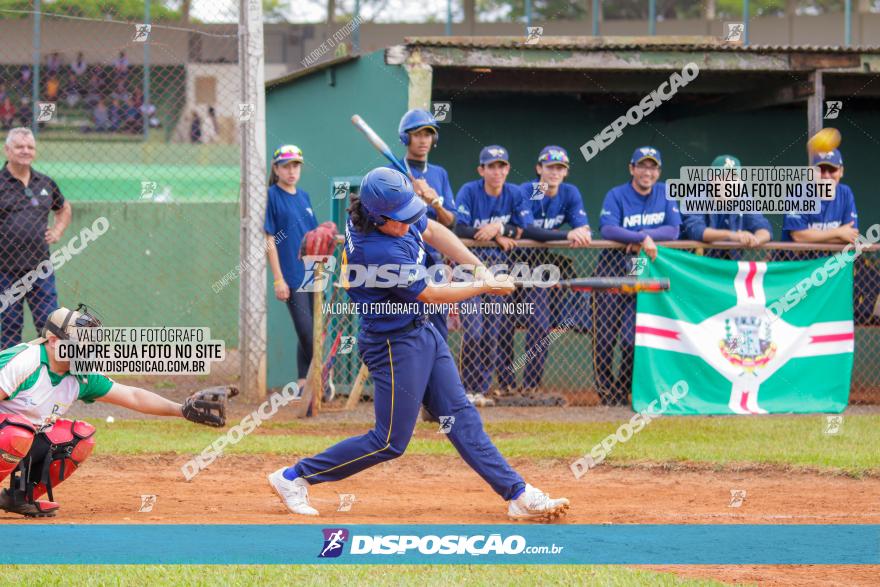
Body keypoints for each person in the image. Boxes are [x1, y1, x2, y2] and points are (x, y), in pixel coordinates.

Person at [267, 167, 570, 521]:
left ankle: (518, 493)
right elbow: (431, 293)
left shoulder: (383, 213)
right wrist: (486, 286)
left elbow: (434, 228)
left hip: (421, 332)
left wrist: (477, 267)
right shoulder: (377, 248)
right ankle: (294, 477)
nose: (409, 222)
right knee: (389, 441)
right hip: (393, 345)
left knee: (460, 417)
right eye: (400, 219)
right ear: (378, 217)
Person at [0, 306, 232, 517]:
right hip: (9, 436)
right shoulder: (26, 361)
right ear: (52, 340)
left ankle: (20, 498)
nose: (87, 349)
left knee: (80, 437)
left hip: (20, 440)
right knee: (18, 434)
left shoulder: (80, 375)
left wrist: (181, 409)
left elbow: (133, 396)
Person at [494, 145, 591, 398]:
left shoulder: (569, 193)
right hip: (512, 263)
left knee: (540, 324)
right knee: (505, 323)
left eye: (560, 168)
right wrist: (567, 234)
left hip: (540, 267)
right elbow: (527, 230)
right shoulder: (530, 190)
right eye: (550, 167)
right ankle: (506, 384)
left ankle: (531, 385)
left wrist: (580, 231)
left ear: (566, 171)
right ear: (539, 169)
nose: (555, 172)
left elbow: (584, 228)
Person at [593, 147, 681, 406]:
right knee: (605, 337)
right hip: (612, 266)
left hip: (640, 267)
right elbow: (608, 229)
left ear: (659, 172)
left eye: (653, 167)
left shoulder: (664, 193)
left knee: (633, 336)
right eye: (642, 166)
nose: (647, 172)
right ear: (632, 169)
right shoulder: (616, 194)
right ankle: (607, 394)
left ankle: (623, 390)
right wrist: (643, 237)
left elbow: (674, 230)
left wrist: (639, 236)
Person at [454, 145, 534, 405]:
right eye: (491, 166)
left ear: (508, 169)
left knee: (492, 332)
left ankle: (481, 390)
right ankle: (465, 389)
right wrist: (492, 233)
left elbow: (523, 228)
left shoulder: (515, 193)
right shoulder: (469, 190)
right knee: (474, 330)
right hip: (469, 268)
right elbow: (459, 228)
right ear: (482, 170)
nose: (497, 171)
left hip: (499, 269)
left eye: (501, 166)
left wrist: (499, 228)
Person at [0, 127, 72, 350]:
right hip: (4, 270)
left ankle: (53, 378)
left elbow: (63, 208)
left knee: (50, 325)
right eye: (19, 146)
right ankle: (9, 381)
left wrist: (58, 230)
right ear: (7, 150)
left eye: (30, 147)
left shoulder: (45, 183)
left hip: (40, 269)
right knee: (8, 327)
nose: (25, 151)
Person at [395, 108, 457, 339]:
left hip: (434, 258)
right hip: (403, 257)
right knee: (405, 322)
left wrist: (436, 202)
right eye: (418, 134)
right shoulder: (392, 172)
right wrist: (412, 196)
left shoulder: (439, 174)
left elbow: (450, 221)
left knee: (438, 324)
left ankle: (436, 372)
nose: (423, 140)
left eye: (428, 134)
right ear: (406, 137)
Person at [264, 145, 321, 394]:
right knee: (307, 331)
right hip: (291, 276)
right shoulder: (271, 196)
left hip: (313, 273)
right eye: (286, 166)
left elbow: (314, 236)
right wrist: (278, 279)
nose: (291, 171)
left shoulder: (304, 196)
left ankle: (302, 382)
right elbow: (269, 239)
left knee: (311, 329)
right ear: (275, 169)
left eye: (296, 165)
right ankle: (322, 379)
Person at [682, 154, 772, 258]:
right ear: (712, 179)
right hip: (691, 265)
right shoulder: (697, 196)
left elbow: (764, 227)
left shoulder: (744, 198)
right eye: (724, 178)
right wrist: (732, 235)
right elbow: (696, 231)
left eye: (734, 178)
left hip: (728, 266)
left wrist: (755, 239)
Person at [782, 149, 858, 246]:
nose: (826, 175)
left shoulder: (845, 193)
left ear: (841, 171)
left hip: (831, 260)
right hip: (796, 260)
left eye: (832, 169)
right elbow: (798, 236)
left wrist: (811, 237)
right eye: (821, 169)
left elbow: (852, 235)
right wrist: (838, 232)